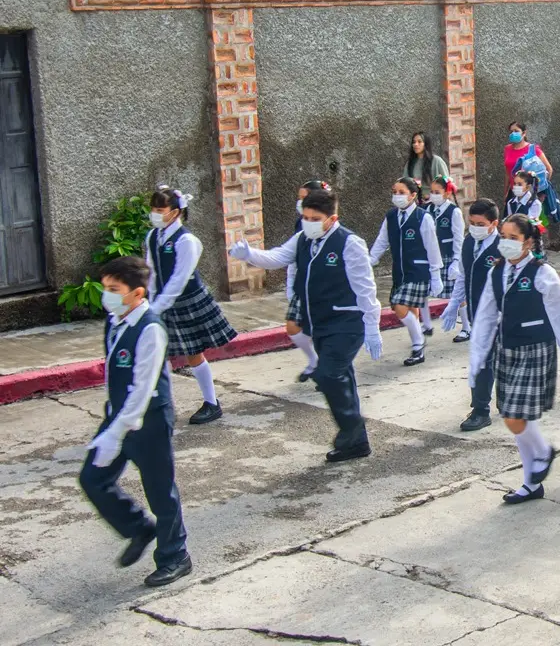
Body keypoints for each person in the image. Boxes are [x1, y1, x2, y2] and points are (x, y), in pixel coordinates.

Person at [230, 189, 383, 463]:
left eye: (314, 218)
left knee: (327, 375)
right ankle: (356, 444)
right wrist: (248, 254)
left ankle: (351, 428)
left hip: (347, 322)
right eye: (305, 216)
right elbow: (277, 257)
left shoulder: (350, 243)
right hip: (320, 322)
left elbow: (365, 288)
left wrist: (372, 326)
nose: (307, 222)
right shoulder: (303, 238)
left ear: (331, 218)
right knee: (342, 378)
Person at [80, 255, 192, 588]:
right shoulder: (116, 320)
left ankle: (176, 556)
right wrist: (113, 424)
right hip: (118, 415)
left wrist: (117, 432)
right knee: (92, 479)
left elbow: (143, 389)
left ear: (138, 294)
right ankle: (139, 528)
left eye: (114, 289)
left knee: (160, 491)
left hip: (149, 420)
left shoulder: (150, 330)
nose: (107, 296)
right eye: (105, 288)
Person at [471, 214, 560, 505]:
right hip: (508, 349)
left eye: (513, 238)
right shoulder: (496, 272)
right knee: (514, 419)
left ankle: (544, 451)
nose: (506, 243)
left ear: (529, 242)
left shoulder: (543, 274)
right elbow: (485, 316)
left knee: (514, 415)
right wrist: (477, 358)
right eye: (503, 237)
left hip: (536, 349)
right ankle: (530, 484)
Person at [144, 187, 237, 426]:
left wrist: (158, 306)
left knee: (193, 353)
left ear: (175, 213)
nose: (154, 214)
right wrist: (149, 301)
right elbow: (152, 272)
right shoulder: (152, 237)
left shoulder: (187, 241)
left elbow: (179, 278)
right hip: (161, 302)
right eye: (153, 209)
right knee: (157, 352)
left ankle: (212, 402)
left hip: (187, 301)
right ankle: (159, 406)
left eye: (160, 210)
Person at [442, 199, 504, 431]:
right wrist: (453, 304)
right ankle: (483, 406)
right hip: (477, 313)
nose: (474, 227)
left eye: (480, 223)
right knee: (483, 361)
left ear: (493, 223)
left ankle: (481, 410)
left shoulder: (503, 246)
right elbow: (463, 276)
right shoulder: (469, 242)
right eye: (471, 223)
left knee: (488, 361)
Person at [369, 178, 444, 366]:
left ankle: (418, 343)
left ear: (413, 195)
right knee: (410, 308)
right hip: (400, 271)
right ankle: (417, 344)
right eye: (394, 191)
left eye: (401, 192)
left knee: (398, 306)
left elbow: (432, 247)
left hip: (418, 270)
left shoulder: (423, 217)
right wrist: (370, 259)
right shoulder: (391, 217)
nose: (397, 196)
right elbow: (382, 241)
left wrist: (436, 275)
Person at [285, 180, 332, 381]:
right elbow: (291, 255)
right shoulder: (301, 225)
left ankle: (331, 367)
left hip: (324, 287)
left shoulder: (332, 228)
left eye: (304, 198)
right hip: (303, 285)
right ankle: (314, 361)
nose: (299, 201)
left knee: (324, 332)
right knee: (293, 326)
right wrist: (291, 283)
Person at [424, 176, 465, 340]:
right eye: (432, 192)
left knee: (457, 294)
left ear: (447, 193)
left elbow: (459, 237)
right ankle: (426, 325)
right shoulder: (428, 210)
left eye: (437, 192)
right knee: (423, 292)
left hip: (448, 257)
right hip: (433, 258)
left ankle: (466, 328)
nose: (433, 195)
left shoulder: (454, 211)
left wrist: (456, 261)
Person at [504, 122, 560, 237]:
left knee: (531, 223)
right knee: (511, 221)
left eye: (516, 131)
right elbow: (508, 172)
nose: (512, 134)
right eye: (511, 131)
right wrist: (506, 191)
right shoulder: (507, 149)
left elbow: (549, 170)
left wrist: (539, 190)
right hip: (514, 191)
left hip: (530, 193)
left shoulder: (533, 149)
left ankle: (535, 247)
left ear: (524, 133)